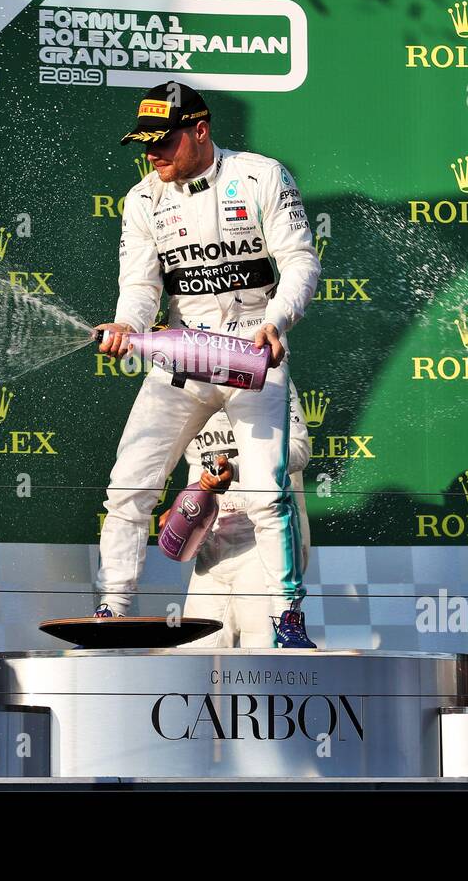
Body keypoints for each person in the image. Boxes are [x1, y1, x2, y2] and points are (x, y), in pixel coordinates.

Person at [94, 81, 320, 647]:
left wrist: (279, 320)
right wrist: (127, 326)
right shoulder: (142, 199)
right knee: (129, 482)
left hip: (252, 351)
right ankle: (113, 608)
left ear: (200, 130)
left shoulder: (262, 175)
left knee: (270, 490)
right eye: (144, 144)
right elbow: (140, 288)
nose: (152, 154)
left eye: (162, 142)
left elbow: (298, 260)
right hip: (187, 354)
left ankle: (287, 618)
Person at [168, 385, 311, 648]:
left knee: (263, 658)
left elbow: (300, 450)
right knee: (194, 654)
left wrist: (235, 470)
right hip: (212, 545)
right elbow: (197, 461)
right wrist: (186, 504)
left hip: (260, 541)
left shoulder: (271, 379)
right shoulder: (190, 383)